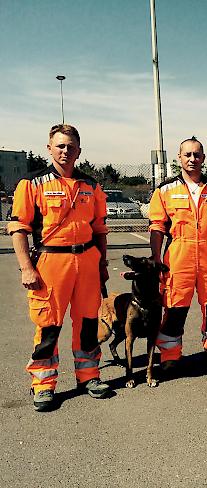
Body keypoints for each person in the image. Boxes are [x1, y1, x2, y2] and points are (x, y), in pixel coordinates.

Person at [8, 124, 112, 412]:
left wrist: (102, 264)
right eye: (61, 146)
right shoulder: (32, 184)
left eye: (71, 146)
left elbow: (100, 229)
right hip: (51, 262)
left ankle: (89, 376)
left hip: (87, 262)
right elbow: (18, 228)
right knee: (48, 325)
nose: (66, 151)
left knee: (88, 323)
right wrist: (26, 268)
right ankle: (43, 384)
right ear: (49, 148)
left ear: (79, 150)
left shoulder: (91, 186)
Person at [149, 137, 207, 374]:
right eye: (187, 154)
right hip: (178, 254)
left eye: (197, 155)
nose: (192, 159)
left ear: (203, 158)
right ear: (179, 158)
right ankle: (169, 354)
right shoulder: (165, 190)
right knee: (175, 306)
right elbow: (157, 226)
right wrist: (156, 258)